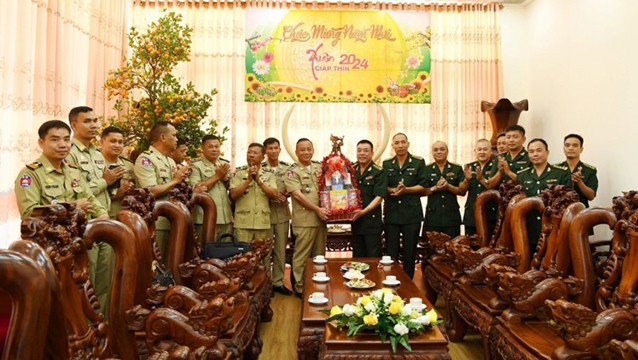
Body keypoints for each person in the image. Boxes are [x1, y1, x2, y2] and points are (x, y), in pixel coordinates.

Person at [67, 106, 122, 317]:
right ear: (74, 125)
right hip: (84, 223)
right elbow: (79, 189)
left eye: (95, 121)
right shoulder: (69, 153)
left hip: (103, 218)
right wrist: (104, 181)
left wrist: (113, 187)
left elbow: (106, 187)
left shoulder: (97, 154)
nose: (94, 125)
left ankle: (103, 324)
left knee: (104, 278)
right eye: (87, 121)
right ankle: (87, 328)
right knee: (85, 280)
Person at [15, 120, 109, 220]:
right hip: (50, 233)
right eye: (55, 140)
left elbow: (90, 199)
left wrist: (102, 216)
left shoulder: (73, 170)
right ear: (41, 143)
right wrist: (71, 207)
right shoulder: (29, 174)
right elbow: (29, 214)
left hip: (80, 231)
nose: (63, 145)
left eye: (67, 139)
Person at [134, 121, 191, 261]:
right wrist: (175, 181)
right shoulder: (146, 159)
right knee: (155, 264)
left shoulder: (170, 161)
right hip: (156, 223)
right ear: (163, 137)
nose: (177, 139)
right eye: (174, 135)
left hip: (172, 220)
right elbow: (150, 191)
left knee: (170, 262)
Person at [284, 138, 329, 298]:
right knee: (301, 256)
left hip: (321, 220)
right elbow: (297, 195)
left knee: (319, 256)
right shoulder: (292, 171)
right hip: (304, 221)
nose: (306, 152)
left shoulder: (319, 167)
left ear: (313, 150)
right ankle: (301, 288)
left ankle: (317, 285)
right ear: (296, 152)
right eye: (302, 149)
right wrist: (317, 209)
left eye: (309, 149)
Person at [230, 143, 283, 275]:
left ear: (262, 157)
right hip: (243, 222)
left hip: (262, 222)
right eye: (249, 152)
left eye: (255, 153)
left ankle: (263, 287)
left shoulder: (269, 174)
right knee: (242, 257)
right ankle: (242, 289)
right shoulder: (239, 172)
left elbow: (274, 194)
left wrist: (259, 181)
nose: (251, 155)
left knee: (262, 256)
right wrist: (248, 180)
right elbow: (233, 195)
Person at [382, 133, 428, 279]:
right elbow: (384, 186)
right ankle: (390, 279)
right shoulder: (387, 163)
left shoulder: (418, 162)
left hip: (411, 213)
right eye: (397, 143)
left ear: (408, 144)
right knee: (391, 251)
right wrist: (392, 190)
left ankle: (408, 281)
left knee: (410, 251)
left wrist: (406, 190)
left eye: (403, 142)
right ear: (393, 146)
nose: (400, 145)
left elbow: (423, 185)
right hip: (392, 213)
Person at [516, 138, 572, 251]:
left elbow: (568, 202)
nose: (535, 154)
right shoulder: (522, 175)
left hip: (552, 226)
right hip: (529, 225)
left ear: (547, 152)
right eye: (531, 152)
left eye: (539, 150)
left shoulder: (560, 173)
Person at [263, 137, 293, 296]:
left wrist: (286, 194)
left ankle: (278, 282)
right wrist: (271, 195)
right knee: (266, 249)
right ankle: (266, 282)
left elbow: (294, 185)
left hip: (282, 212)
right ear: (265, 151)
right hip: (265, 213)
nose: (274, 151)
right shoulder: (261, 168)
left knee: (281, 249)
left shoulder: (287, 168)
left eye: (276, 148)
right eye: (270, 148)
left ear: (280, 149)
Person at [190, 134, 233, 241]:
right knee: (206, 253)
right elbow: (196, 189)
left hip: (225, 217)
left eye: (217, 146)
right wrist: (217, 176)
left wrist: (225, 179)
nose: (214, 149)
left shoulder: (224, 164)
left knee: (226, 254)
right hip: (205, 218)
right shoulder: (195, 165)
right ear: (202, 148)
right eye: (210, 147)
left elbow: (231, 188)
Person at [351, 140, 387, 258]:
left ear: (372, 153)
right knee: (357, 257)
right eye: (359, 150)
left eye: (366, 151)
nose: (362, 153)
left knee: (373, 257)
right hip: (356, 221)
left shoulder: (379, 172)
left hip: (371, 222)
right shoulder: (352, 171)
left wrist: (363, 212)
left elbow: (379, 197)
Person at [423, 141, 464, 238]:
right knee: (432, 250)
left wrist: (449, 186)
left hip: (451, 217)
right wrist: (435, 188)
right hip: (433, 217)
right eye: (435, 150)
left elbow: (462, 192)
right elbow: (422, 192)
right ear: (432, 153)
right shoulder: (426, 169)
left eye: (442, 149)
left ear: (447, 151)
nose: (439, 152)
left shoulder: (456, 168)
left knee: (453, 249)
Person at [460, 139, 497, 236]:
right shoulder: (469, 167)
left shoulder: (495, 167)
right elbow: (462, 190)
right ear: (475, 151)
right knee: (470, 246)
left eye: (485, 149)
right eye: (479, 149)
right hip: (471, 214)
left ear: (490, 151)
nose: (482, 152)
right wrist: (466, 180)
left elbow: (494, 187)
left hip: (490, 214)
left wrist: (481, 179)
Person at [100, 126, 136, 217]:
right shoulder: (94, 164)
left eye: (120, 142)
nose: (117, 145)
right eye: (113, 141)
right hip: (104, 217)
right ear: (102, 142)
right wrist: (115, 195)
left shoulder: (129, 165)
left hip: (125, 216)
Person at [554, 133, 598, 208]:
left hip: (581, 212)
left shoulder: (589, 170)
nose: (570, 148)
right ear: (563, 148)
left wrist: (579, 182)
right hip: (559, 211)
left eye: (575, 145)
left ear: (581, 149)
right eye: (567, 145)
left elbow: (591, 196)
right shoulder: (555, 169)